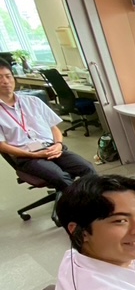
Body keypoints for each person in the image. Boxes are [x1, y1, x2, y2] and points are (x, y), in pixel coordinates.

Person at [0, 59, 95, 191]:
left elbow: (54, 128)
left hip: (52, 148)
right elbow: (2, 146)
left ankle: (95, 199)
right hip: (27, 156)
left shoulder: (33, 101)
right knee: (61, 177)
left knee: (88, 168)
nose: (5, 81)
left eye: (8, 76)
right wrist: (34, 155)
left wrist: (58, 144)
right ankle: (79, 202)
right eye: (0, 77)